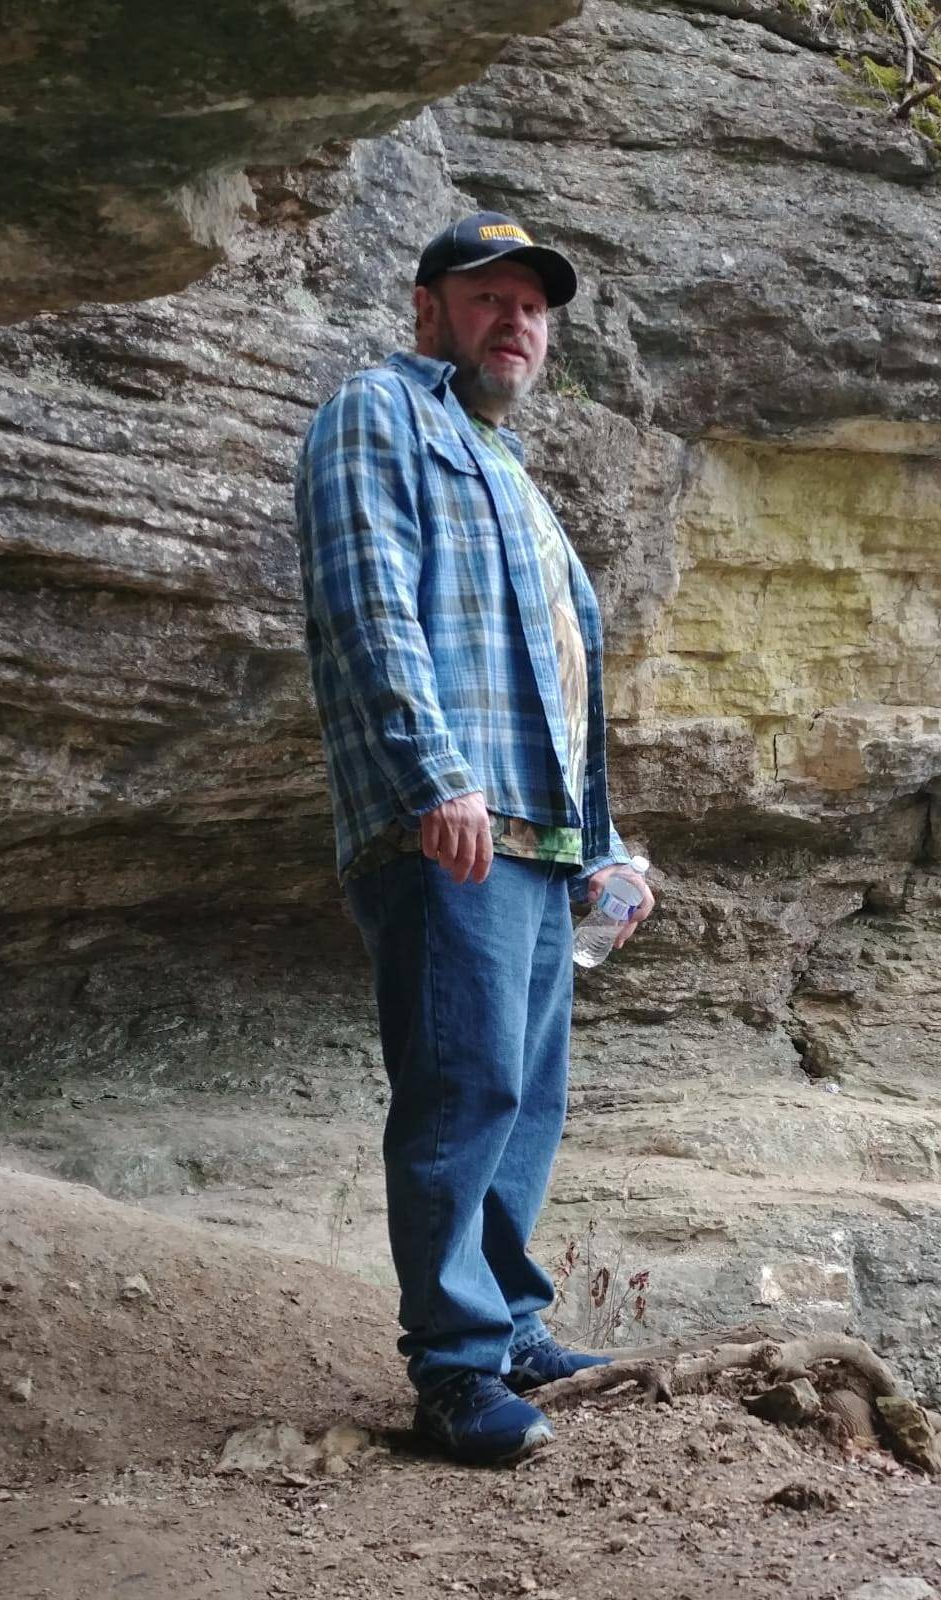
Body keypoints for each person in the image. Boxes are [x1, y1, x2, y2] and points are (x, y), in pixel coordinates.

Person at [294, 211, 654, 1465]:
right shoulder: (378, 411)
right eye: (488, 296)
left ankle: (508, 1330)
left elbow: (558, 682)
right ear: (427, 310)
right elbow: (367, 601)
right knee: (463, 1087)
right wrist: (434, 774)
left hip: (539, 839)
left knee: (525, 1097)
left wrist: (604, 845)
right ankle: (453, 1371)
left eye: (533, 306)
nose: (516, 321)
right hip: (448, 824)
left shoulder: (509, 471)